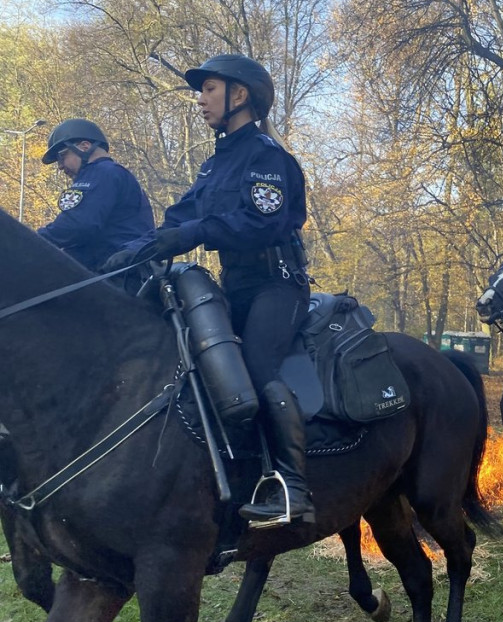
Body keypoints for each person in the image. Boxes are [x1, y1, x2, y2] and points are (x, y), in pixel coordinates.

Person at [110, 54, 314, 526]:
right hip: (235, 287)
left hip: (277, 286)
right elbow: (178, 220)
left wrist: (193, 234)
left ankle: (293, 488)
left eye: (209, 90)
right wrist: (134, 252)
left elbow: (259, 224)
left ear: (238, 96)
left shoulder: (267, 157)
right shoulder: (214, 166)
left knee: (258, 367)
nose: (200, 100)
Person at [37, 119, 154, 272]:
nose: (60, 166)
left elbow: (78, 225)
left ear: (84, 146)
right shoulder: (113, 173)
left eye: (61, 156)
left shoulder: (101, 172)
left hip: (113, 274)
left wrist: (29, 240)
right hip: (119, 270)